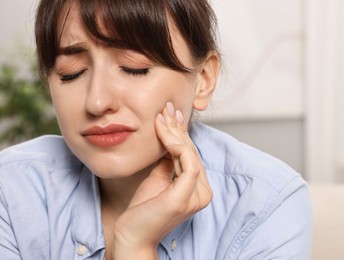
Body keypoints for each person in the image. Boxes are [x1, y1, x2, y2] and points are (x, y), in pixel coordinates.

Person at [0, 0, 312, 259]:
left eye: (134, 68)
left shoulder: (265, 204)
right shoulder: (12, 192)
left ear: (203, 79)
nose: (97, 101)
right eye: (72, 73)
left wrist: (134, 244)